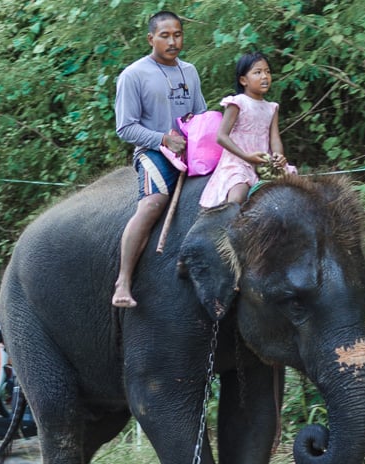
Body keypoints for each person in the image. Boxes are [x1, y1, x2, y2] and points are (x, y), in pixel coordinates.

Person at [112, 10, 207, 308]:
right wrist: (163, 139)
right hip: (153, 152)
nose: (172, 41)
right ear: (150, 38)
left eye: (177, 34)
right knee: (152, 204)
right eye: (164, 35)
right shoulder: (133, 75)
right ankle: (123, 281)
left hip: (191, 152)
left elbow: (200, 115)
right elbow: (125, 127)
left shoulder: (189, 71)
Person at [198, 52, 292, 208]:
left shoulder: (271, 108)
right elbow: (221, 136)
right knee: (238, 195)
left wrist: (278, 156)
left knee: (294, 190)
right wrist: (247, 157)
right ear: (243, 80)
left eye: (267, 72)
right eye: (258, 72)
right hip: (238, 162)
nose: (265, 76)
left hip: (264, 164)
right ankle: (225, 230)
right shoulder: (237, 102)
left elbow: (274, 138)